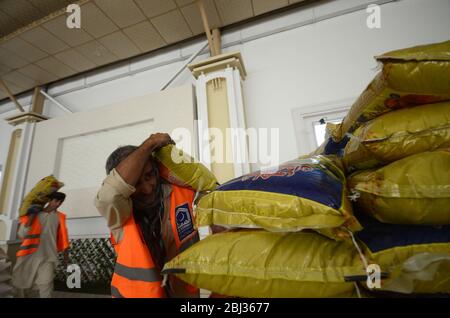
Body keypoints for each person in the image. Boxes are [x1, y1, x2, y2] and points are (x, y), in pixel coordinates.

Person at [95, 133, 200, 298]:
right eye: (136, 183)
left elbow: (203, 181)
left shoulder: (179, 193)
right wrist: (149, 144)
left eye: (149, 176)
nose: (147, 188)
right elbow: (109, 195)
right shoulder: (119, 214)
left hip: (185, 294)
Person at [12, 192, 70, 298]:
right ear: (49, 200)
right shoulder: (34, 214)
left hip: (49, 256)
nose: (58, 204)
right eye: (56, 201)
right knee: (22, 284)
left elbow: (63, 237)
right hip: (28, 255)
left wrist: (66, 255)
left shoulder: (60, 217)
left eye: (61, 202)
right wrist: (32, 216)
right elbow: (22, 234)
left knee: (46, 284)